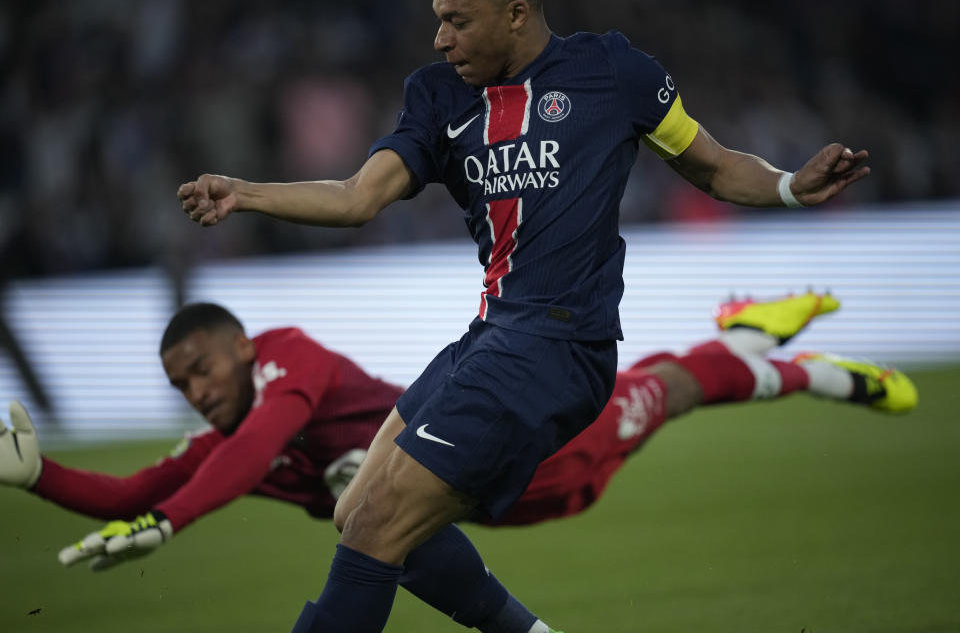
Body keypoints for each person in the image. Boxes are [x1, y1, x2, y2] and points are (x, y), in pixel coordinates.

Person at [175, 0, 872, 630]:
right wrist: (245, 191)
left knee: (379, 523)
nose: (442, 38)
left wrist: (788, 186)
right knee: (353, 511)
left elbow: (714, 166)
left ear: (516, 10)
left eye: (458, 20)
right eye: (437, 19)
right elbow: (358, 196)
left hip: (561, 346)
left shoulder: (612, 71)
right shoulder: (437, 94)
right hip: (491, 337)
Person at [0, 293, 915, 624]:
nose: (196, 393)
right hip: (491, 505)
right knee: (653, 391)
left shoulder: (289, 363)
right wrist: (41, 478)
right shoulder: (229, 440)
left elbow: (245, 457)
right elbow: (134, 485)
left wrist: (169, 520)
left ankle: (796, 366)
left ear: (239, 346)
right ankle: (751, 331)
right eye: (182, 386)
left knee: (662, 392)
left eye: (201, 369)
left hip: (533, 449)